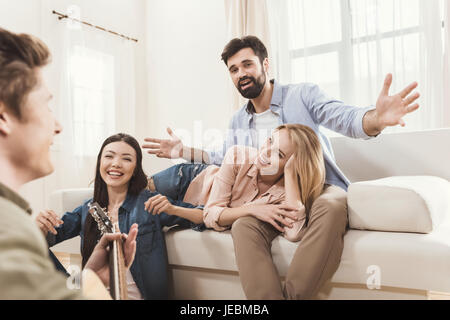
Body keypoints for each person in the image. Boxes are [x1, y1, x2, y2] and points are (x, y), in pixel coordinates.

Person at [142, 35, 421, 299]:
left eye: (247, 64)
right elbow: (225, 157)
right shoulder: (239, 120)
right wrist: (183, 151)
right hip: (270, 197)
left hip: (316, 187)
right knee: (244, 225)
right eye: (233, 69)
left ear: (265, 64)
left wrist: (377, 118)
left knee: (333, 204)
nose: (241, 74)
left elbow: (347, 119)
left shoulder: (302, 95)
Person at [0, 27, 137, 299]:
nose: (59, 126)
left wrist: (89, 278)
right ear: (4, 118)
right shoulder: (9, 227)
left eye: (125, 158)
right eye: (45, 105)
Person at [36, 133, 203, 300]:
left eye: (126, 159)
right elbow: (41, 241)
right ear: (100, 162)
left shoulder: (148, 203)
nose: (116, 164)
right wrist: (39, 226)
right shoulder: (88, 209)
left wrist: (174, 209)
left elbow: (204, 216)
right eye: (109, 156)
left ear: (135, 168)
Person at [146, 124, 324, 243]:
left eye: (279, 154)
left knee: (141, 206)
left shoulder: (284, 194)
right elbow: (212, 212)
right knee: (133, 189)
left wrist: (291, 175)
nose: (265, 152)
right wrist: (252, 209)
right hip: (189, 179)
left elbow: (294, 234)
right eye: (270, 140)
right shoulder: (238, 155)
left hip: (196, 210)